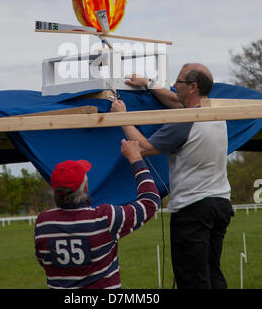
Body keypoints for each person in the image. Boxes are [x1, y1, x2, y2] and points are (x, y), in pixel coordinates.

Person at [110, 63, 234, 289]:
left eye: (179, 82)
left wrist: (122, 117)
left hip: (193, 210)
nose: (175, 86)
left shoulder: (186, 121)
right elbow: (175, 100)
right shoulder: (214, 111)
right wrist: (149, 84)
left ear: (193, 87)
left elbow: (144, 147)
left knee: (193, 280)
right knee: (211, 273)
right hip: (220, 205)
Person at [34, 139, 161, 289]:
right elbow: (150, 202)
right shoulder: (104, 218)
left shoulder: (43, 223)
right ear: (86, 187)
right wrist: (135, 159)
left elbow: (43, 260)